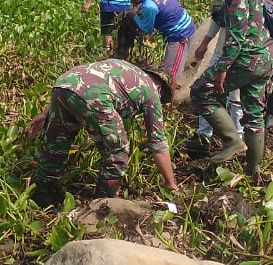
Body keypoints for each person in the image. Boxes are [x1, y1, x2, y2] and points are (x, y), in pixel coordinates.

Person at [26, 59, 178, 205]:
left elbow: (80, 83)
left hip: (63, 84)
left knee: (55, 145)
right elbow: (158, 144)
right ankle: (101, 205)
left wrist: (46, 113)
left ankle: (42, 197)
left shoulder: (126, 68)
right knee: (117, 151)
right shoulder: (152, 91)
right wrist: (171, 184)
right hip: (94, 96)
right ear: (162, 89)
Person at [187, 0, 273, 179]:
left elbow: (235, 39)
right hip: (266, 57)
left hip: (245, 59)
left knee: (199, 91)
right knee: (254, 115)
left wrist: (222, 70)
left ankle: (231, 141)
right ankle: (253, 172)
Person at [181, 0, 244, 156]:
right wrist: (205, 43)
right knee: (204, 89)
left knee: (235, 97)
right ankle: (203, 138)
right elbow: (217, 16)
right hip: (220, 48)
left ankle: (237, 140)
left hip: (240, 51)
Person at [113, 0, 197, 85]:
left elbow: (147, 29)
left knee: (170, 74)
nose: (130, 0)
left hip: (180, 35)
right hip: (185, 22)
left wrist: (133, 15)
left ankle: (170, 100)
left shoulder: (149, 7)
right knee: (170, 69)